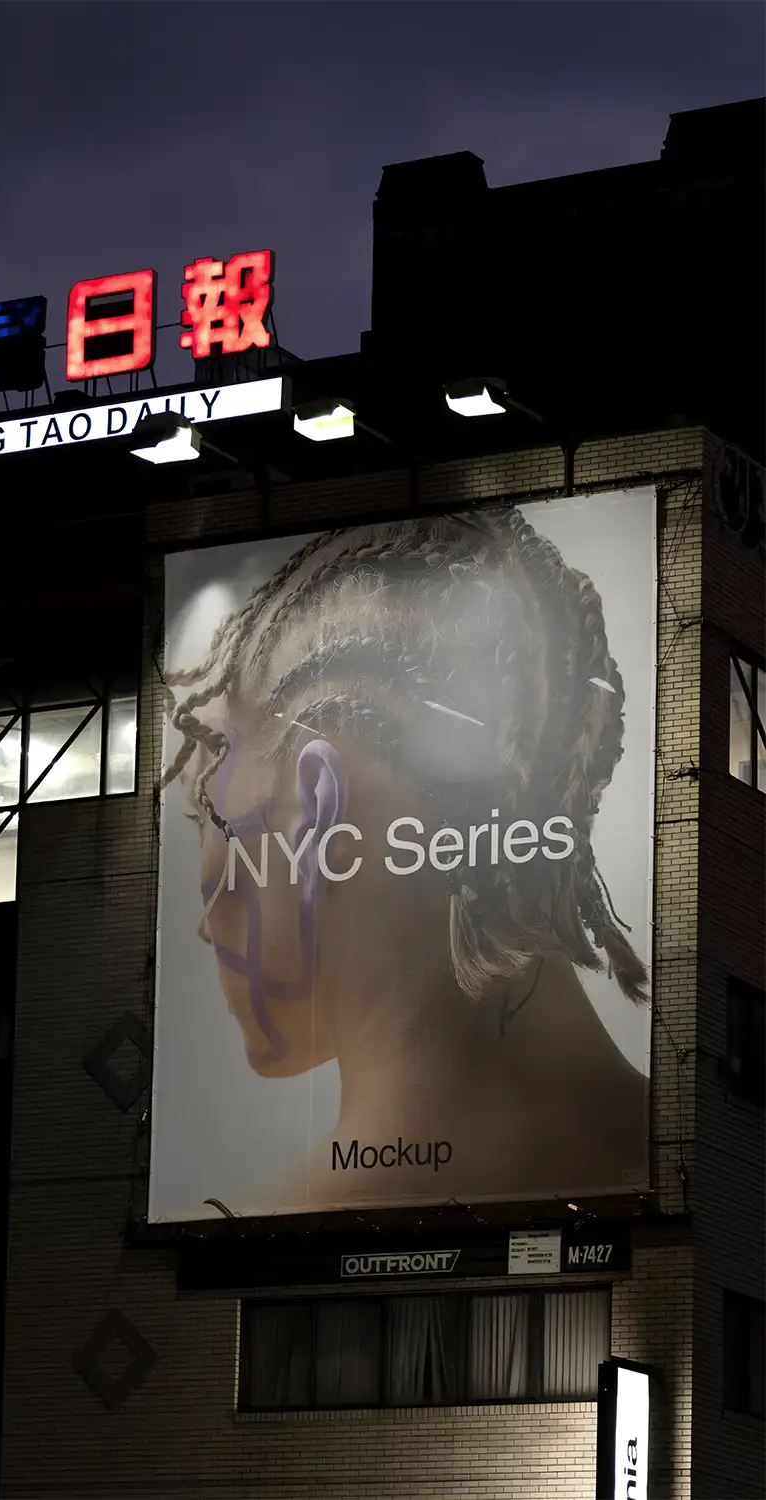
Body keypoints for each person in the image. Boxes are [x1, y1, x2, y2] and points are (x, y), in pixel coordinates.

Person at [162, 507, 650, 1209]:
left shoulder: (253, 1233)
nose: (204, 925)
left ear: (317, 808)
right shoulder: (708, 1163)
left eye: (203, 814)